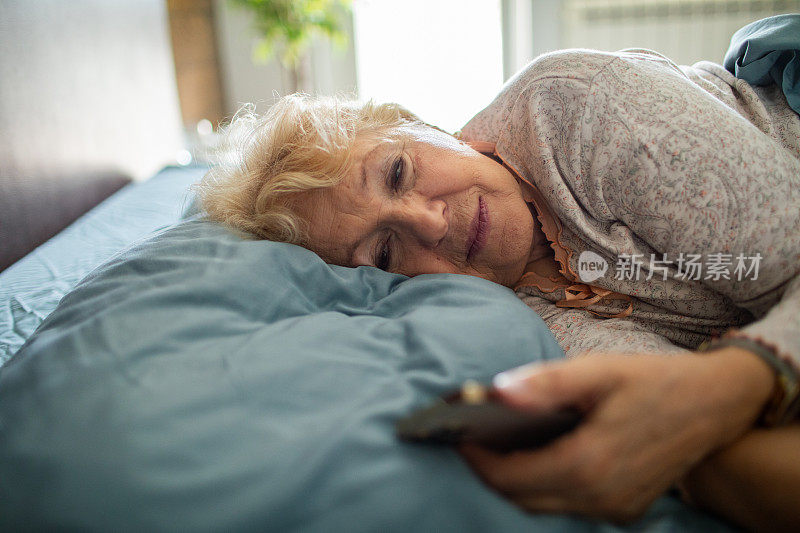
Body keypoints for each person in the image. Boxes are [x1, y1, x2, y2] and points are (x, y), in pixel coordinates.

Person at [197, 47, 800, 531]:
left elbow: (693, 412)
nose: (429, 222)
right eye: (384, 250)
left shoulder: (571, 107)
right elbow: (696, 442)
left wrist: (739, 380)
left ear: (423, 124)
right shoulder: (508, 316)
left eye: (398, 171)